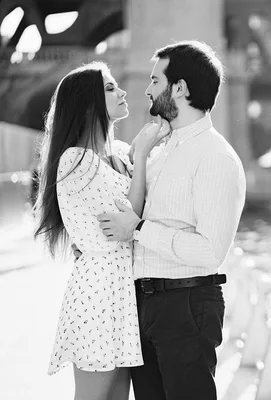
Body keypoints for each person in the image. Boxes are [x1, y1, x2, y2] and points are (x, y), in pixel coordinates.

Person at [96, 41, 246, 399]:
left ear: (179, 89)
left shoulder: (215, 157)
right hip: (144, 304)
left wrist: (139, 229)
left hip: (187, 305)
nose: (146, 90)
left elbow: (210, 251)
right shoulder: (160, 153)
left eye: (154, 81)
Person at [33, 61, 170, 400]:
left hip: (123, 292)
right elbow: (131, 215)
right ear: (87, 102)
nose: (122, 91)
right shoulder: (75, 161)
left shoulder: (118, 154)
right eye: (109, 88)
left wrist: (141, 152)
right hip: (98, 293)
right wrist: (141, 153)